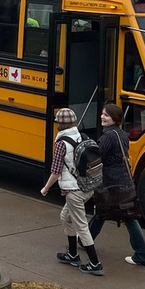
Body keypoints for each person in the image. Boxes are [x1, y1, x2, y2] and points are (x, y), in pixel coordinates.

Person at [39, 107, 103, 276]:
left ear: (59, 124)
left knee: (81, 226)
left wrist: (46, 188)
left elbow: (56, 171)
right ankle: (72, 254)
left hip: (73, 190)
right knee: (65, 217)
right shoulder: (81, 136)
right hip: (87, 186)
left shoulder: (61, 143)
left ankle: (95, 263)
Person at [88, 104, 145, 266]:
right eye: (102, 114)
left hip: (112, 184)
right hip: (124, 182)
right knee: (103, 212)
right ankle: (85, 241)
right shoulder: (122, 134)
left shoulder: (108, 136)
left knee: (126, 218)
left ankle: (142, 255)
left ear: (115, 119)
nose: (103, 117)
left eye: (107, 115)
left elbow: (97, 155)